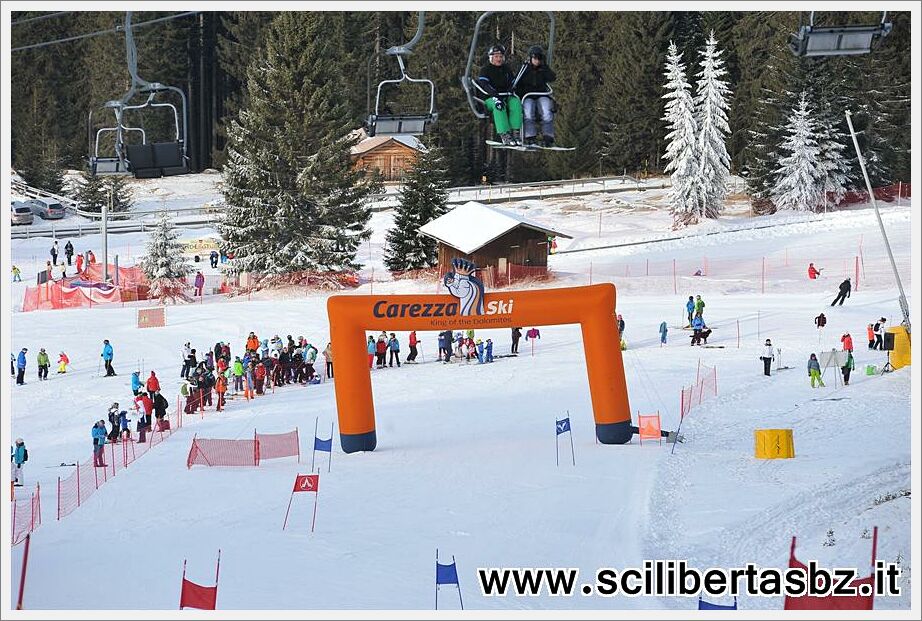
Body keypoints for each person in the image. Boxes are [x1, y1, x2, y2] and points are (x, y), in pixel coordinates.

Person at [477, 44, 523, 146]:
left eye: (501, 56)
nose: (499, 59)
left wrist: (512, 88)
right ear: (491, 57)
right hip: (490, 98)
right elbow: (484, 84)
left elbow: (512, 82)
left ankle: (515, 132)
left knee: (515, 102)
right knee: (499, 105)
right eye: (496, 57)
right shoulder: (486, 70)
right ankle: (504, 133)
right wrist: (494, 94)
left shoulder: (506, 69)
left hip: (505, 95)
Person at [515, 44, 556, 147]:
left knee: (547, 112)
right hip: (527, 95)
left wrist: (545, 67)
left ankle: (548, 137)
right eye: (535, 58)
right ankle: (530, 137)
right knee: (528, 113)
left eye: (539, 58)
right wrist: (520, 94)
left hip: (541, 94)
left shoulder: (543, 69)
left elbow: (552, 77)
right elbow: (516, 82)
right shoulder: (524, 68)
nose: (537, 61)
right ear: (530, 58)